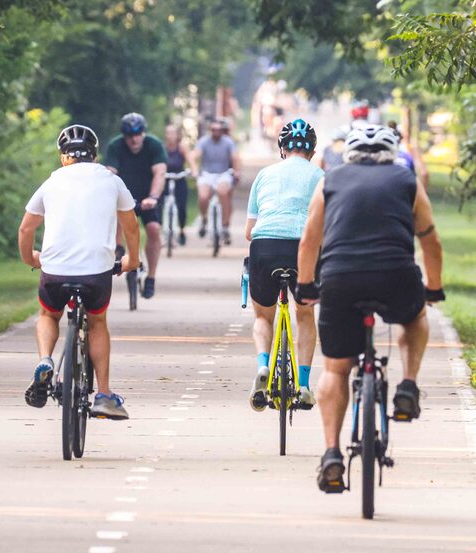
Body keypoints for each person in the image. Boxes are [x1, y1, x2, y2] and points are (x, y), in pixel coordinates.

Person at [296, 124, 444, 492]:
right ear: (392, 153)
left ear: (350, 153)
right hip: (395, 275)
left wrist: (305, 285)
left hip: (340, 278)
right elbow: (431, 240)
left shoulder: (330, 180)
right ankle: (408, 386)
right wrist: (434, 288)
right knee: (415, 317)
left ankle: (332, 454)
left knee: (335, 369)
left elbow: (310, 239)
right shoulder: (406, 180)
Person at [19, 124, 141, 419]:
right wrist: (132, 261)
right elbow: (131, 227)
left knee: (49, 314)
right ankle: (104, 394)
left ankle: (46, 360)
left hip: (55, 270)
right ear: (95, 156)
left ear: (64, 157)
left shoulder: (52, 182)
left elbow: (26, 228)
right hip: (96, 272)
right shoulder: (112, 181)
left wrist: (30, 258)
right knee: (97, 322)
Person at [246, 119, 322, 411]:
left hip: (265, 245)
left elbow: (249, 231)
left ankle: (264, 366)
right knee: (304, 314)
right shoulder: (320, 176)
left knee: (263, 317)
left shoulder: (265, 175)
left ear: (282, 149)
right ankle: (303, 386)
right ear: (312, 151)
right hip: (303, 248)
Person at [105, 112, 167, 299]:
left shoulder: (154, 145)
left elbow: (160, 172)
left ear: (143, 132)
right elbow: (110, 173)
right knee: (114, 216)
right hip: (124, 197)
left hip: (148, 197)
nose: (134, 139)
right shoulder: (116, 146)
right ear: (124, 135)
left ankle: (151, 278)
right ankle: (119, 249)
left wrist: (154, 197)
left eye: (138, 134)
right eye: (130, 135)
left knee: (154, 229)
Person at [189, 119, 241, 245]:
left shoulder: (228, 142)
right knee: (203, 196)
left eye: (219, 130)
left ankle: (224, 226)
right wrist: (195, 170)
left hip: (223, 173)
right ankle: (204, 218)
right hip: (207, 173)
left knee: (223, 193)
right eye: (213, 130)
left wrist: (236, 171)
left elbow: (235, 157)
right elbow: (194, 155)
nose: (216, 133)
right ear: (210, 130)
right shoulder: (204, 142)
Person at [163, 123, 192, 245]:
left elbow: (190, 160)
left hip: (179, 178)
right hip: (165, 178)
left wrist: (193, 171)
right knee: (158, 204)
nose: (171, 136)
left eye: (173, 133)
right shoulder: (162, 148)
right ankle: (162, 231)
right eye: (168, 133)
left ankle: (181, 230)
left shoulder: (182, 148)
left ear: (177, 135)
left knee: (181, 208)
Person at [388, 121, 430, 190]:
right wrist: (422, 193)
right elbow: (424, 173)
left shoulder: (386, 150)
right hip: (408, 189)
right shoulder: (411, 149)